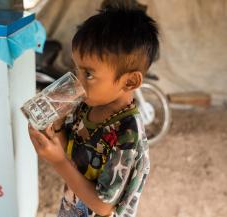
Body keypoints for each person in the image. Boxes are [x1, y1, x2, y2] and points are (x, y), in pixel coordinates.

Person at [28, 3, 159, 217]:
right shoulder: (86, 106)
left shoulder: (128, 135)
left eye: (88, 74)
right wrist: (57, 129)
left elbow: (103, 206)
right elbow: (72, 154)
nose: (77, 82)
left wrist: (57, 161)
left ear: (130, 81)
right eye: (76, 69)